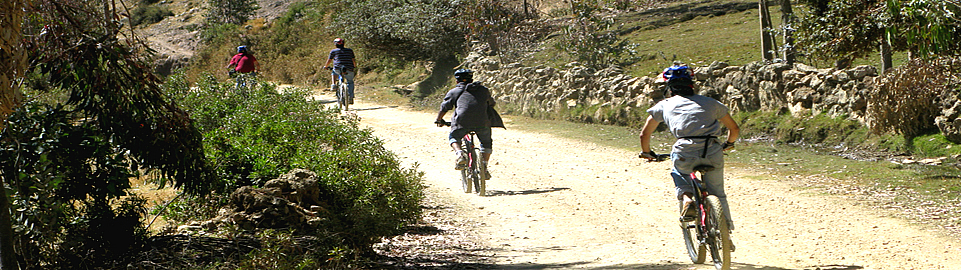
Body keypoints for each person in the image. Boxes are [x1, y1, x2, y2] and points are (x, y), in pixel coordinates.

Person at [639, 63, 740, 231]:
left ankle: (687, 199)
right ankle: (725, 232)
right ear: (692, 84)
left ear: (669, 88)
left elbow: (645, 134)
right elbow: (734, 129)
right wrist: (728, 144)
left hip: (685, 149)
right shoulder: (711, 102)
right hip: (712, 148)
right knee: (718, 192)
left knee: (679, 172)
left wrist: (647, 152)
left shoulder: (664, 104)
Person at [435, 69, 503, 180]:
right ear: (472, 79)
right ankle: (484, 166)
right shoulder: (483, 90)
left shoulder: (454, 92)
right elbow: (491, 103)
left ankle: (460, 154)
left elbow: (444, 107)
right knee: (486, 142)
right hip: (483, 122)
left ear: (457, 81)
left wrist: (439, 119)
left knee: (454, 137)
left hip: (462, 122)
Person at [322, 38, 357, 104]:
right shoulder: (350, 50)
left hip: (338, 68)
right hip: (349, 68)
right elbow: (353, 60)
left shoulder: (333, 51)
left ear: (335, 44)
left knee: (334, 72)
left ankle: (333, 84)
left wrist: (326, 66)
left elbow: (329, 60)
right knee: (350, 82)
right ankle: (350, 97)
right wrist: (354, 66)